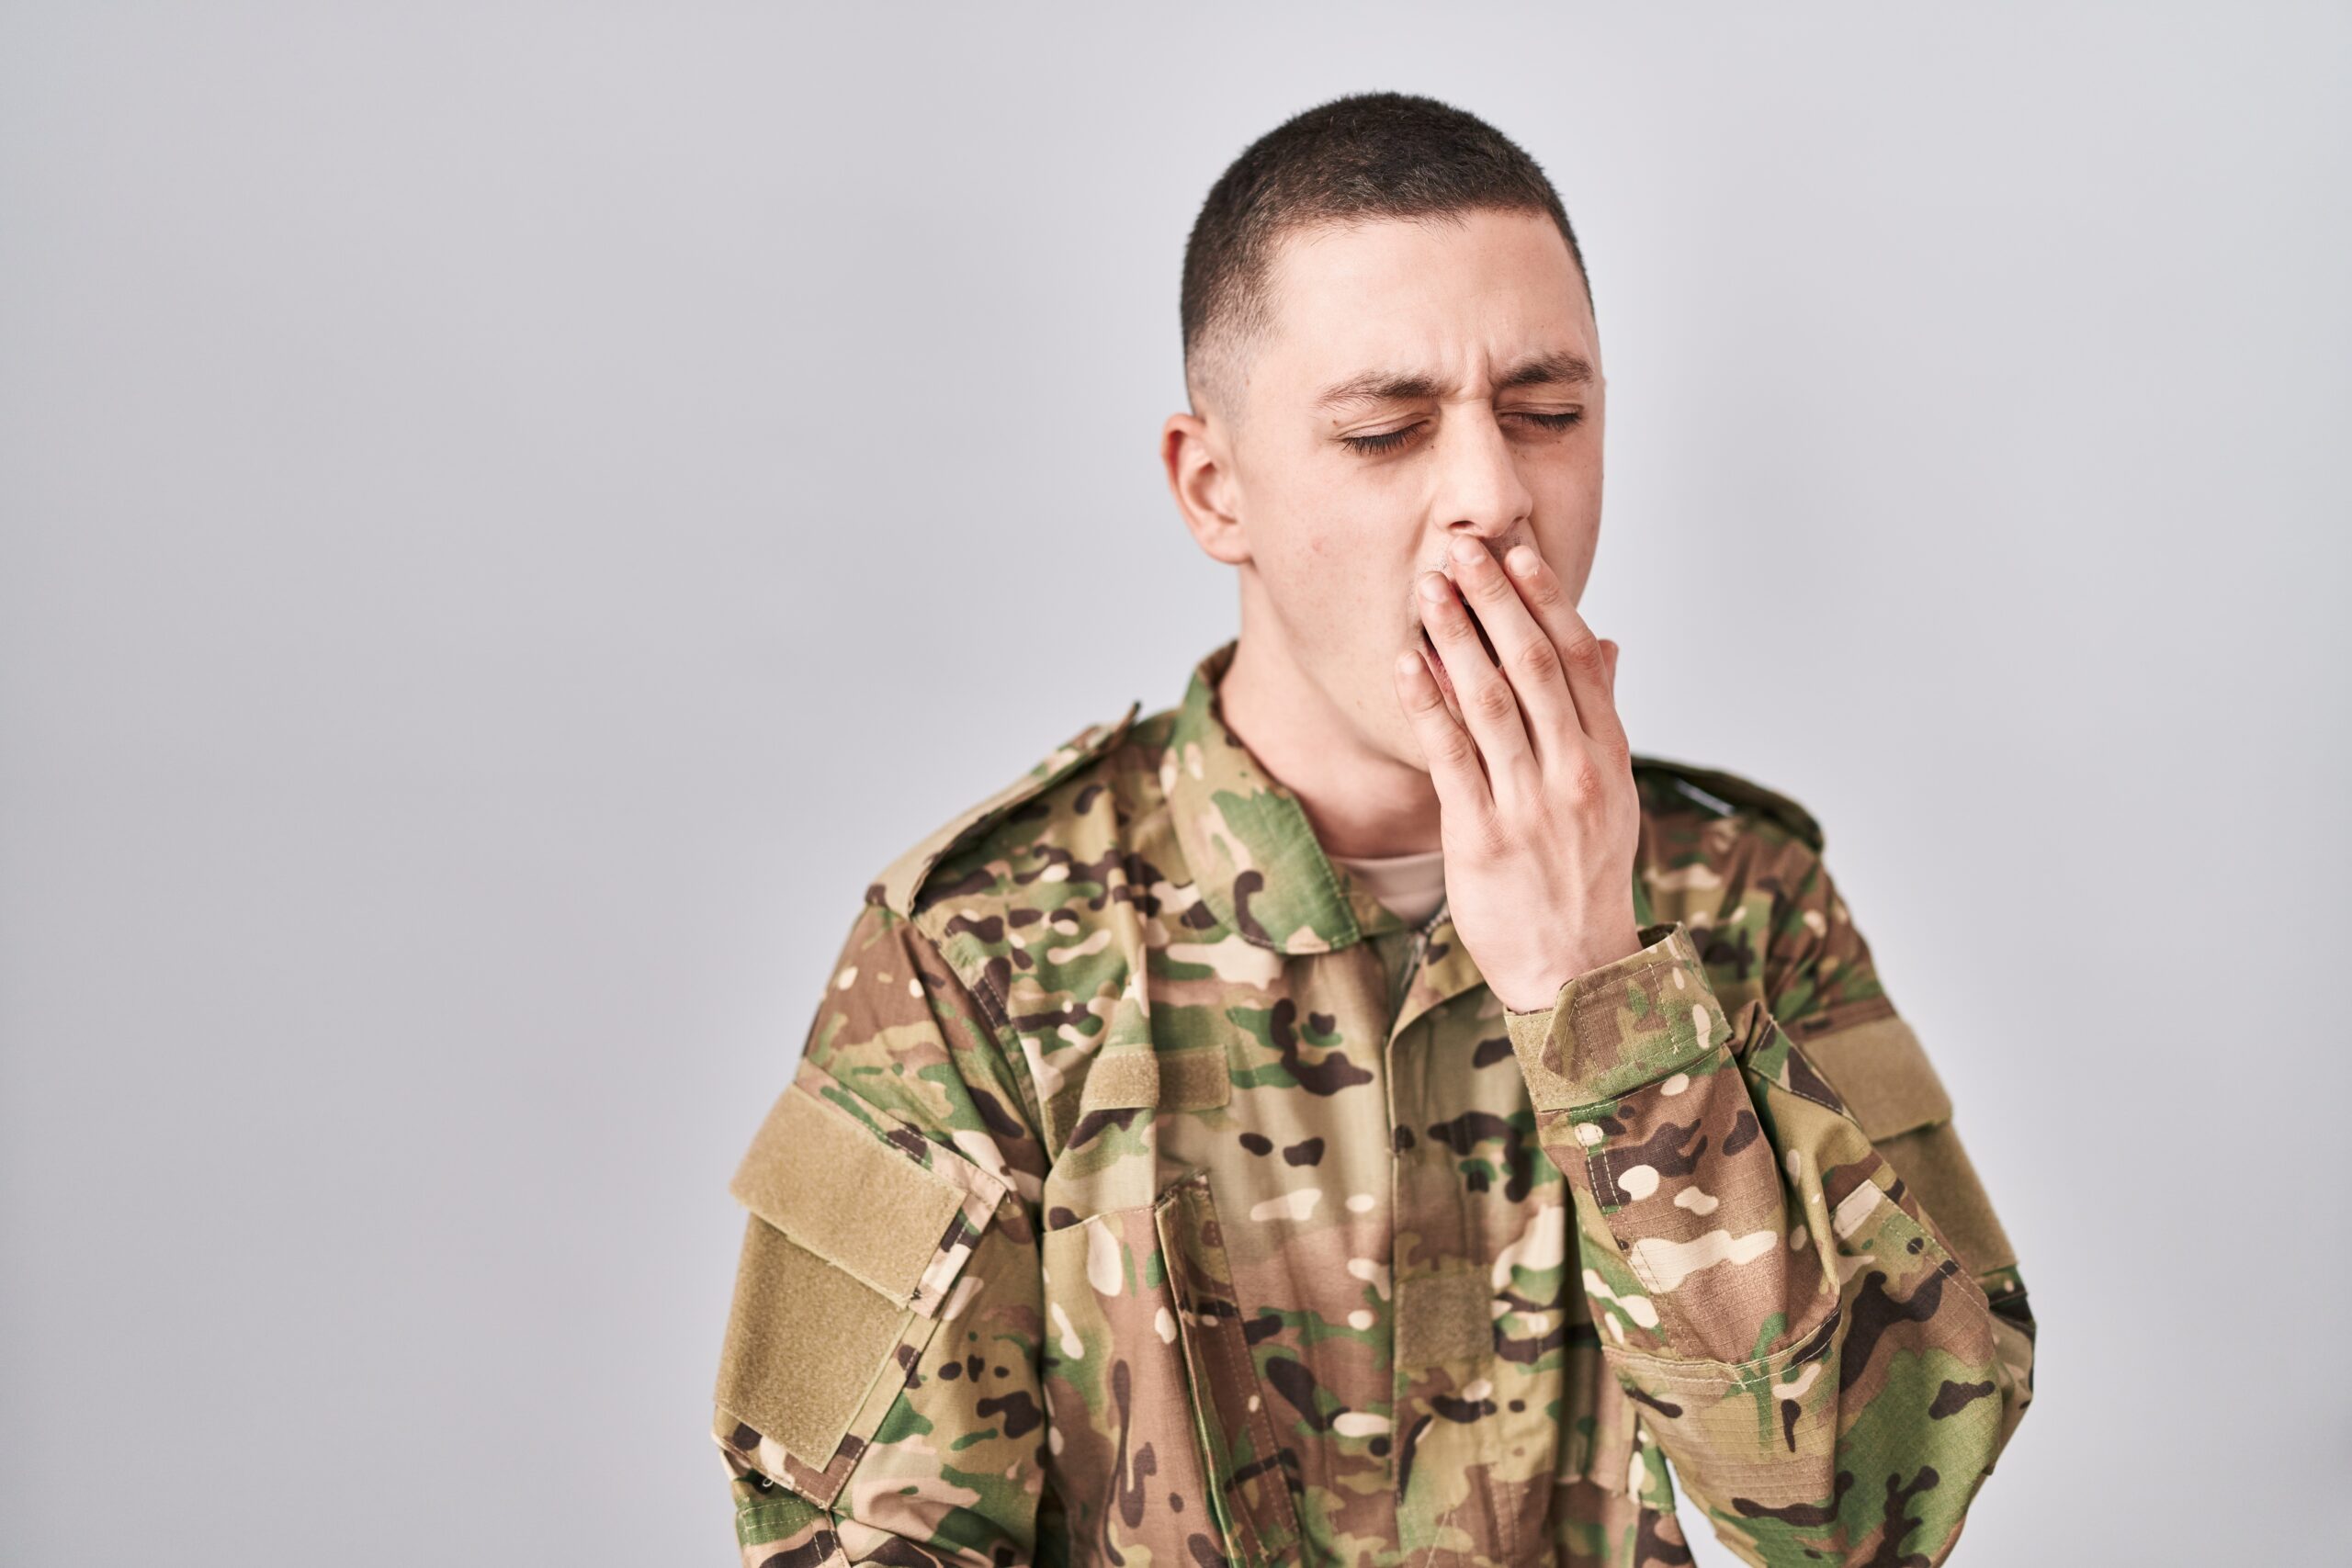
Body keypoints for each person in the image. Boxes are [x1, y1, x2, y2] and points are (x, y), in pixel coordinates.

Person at [709, 90, 2035, 1568]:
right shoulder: (979, 955)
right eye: (1385, 431)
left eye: (1549, 416)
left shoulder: (1745, 904)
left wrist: (1600, 993)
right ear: (1216, 488)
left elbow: (1869, 1515)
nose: (1493, 497)